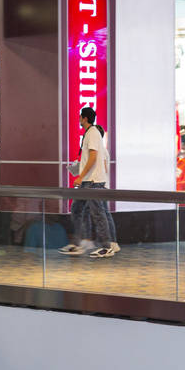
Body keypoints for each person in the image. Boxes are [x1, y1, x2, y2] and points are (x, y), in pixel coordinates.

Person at [59, 107, 119, 259]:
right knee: (77, 209)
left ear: (84, 118)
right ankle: (79, 243)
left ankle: (106, 247)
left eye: (80, 117)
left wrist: (80, 176)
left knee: (98, 213)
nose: (79, 119)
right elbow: (89, 158)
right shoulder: (89, 134)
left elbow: (93, 157)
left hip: (93, 181)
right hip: (88, 181)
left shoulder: (92, 133)